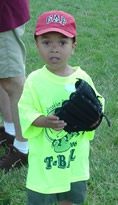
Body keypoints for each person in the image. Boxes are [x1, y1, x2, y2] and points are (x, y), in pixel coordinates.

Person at [18, 11, 105, 205]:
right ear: (37, 45)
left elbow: (97, 106)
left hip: (74, 164)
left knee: (71, 200)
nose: (54, 49)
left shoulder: (82, 78)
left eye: (62, 42)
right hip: (44, 166)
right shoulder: (34, 81)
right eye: (46, 42)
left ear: (73, 47)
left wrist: (95, 119)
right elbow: (25, 111)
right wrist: (44, 121)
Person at [0, 0, 30, 171]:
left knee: (13, 81)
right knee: (2, 76)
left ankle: (23, 147)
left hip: (4, 10)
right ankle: (10, 131)